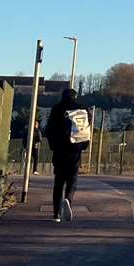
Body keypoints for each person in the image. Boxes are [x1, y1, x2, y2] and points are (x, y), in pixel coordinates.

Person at [43, 88, 91, 221]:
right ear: (75, 97)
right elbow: (87, 129)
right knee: (72, 179)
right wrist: (83, 145)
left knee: (58, 181)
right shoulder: (82, 109)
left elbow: (49, 129)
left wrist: (53, 146)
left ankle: (56, 214)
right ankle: (68, 198)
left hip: (60, 149)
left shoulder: (57, 109)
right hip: (75, 149)